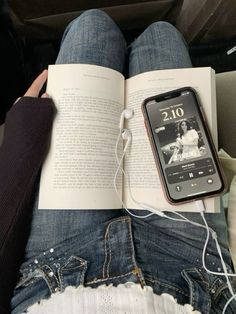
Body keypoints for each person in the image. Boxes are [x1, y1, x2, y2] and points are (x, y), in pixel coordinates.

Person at [0, 9, 235, 314]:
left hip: (53, 273)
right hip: (196, 273)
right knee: (160, 35)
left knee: (93, 24)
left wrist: (20, 142)